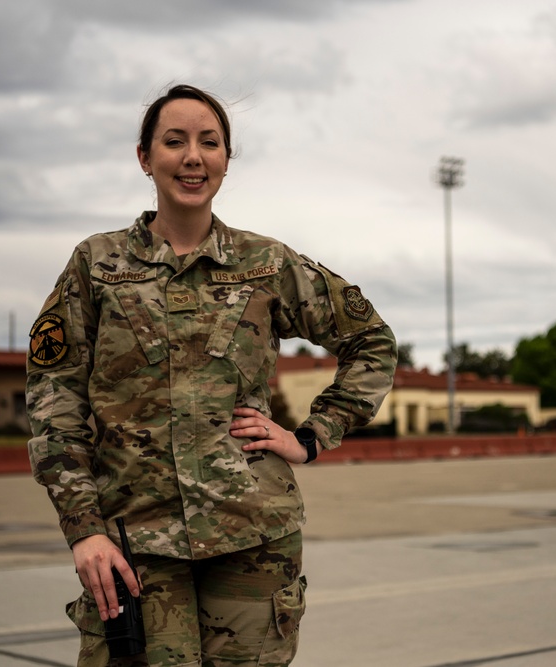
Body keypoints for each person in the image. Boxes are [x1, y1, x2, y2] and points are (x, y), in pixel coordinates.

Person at [25, 84, 397, 666]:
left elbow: (371, 340)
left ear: (226, 159)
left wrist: (309, 436)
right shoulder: (96, 264)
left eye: (210, 142)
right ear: (145, 157)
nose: (193, 157)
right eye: (174, 142)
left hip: (252, 539)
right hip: (133, 545)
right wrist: (84, 528)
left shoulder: (267, 264)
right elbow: (55, 400)